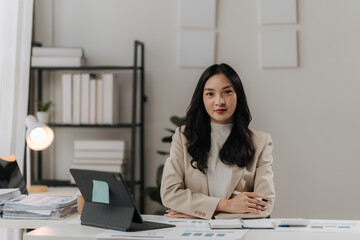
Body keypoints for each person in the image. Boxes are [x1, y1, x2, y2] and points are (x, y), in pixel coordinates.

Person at [160, 63, 275, 219]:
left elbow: (264, 205)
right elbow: (169, 193)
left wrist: (202, 214)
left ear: (238, 95)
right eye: (210, 94)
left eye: (227, 92)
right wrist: (227, 206)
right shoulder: (183, 136)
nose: (219, 101)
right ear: (202, 98)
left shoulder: (260, 142)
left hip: (239, 233)